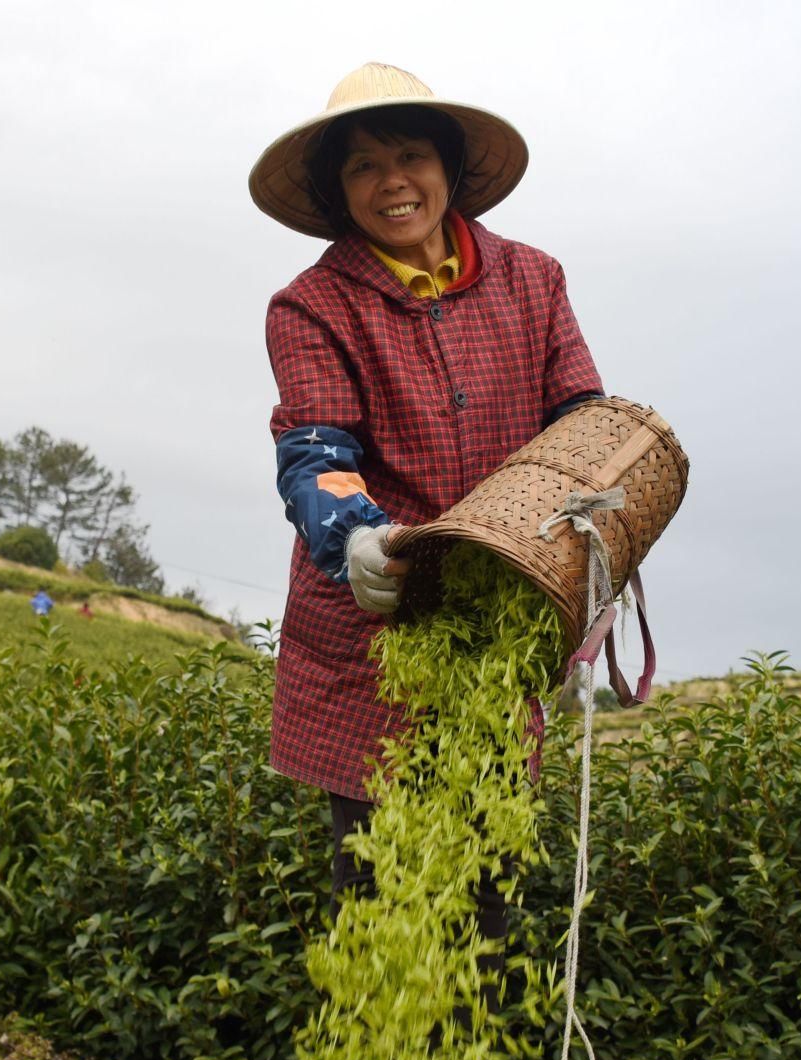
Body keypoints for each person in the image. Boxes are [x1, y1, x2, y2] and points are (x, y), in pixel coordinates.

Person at [250, 64, 605, 941]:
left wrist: (592, 530)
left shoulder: (533, 279)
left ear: (448, 168)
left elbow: (581, 423)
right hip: (375, 630)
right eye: (364, 166)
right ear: (340, 191)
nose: (392, 182)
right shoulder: (313, 305)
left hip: (498, 618)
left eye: (410, 154)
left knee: (487, 893)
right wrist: (359, 539)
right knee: (379, 885)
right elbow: (315, 449)